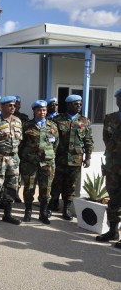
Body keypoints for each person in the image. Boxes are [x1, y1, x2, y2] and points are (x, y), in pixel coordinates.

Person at [48, 94, 93, 220]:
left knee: (71, 184)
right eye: (75, 104)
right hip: (59, 158)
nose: (79, 106)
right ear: (68, 105)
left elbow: (88, 140)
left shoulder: (84, 121)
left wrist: (88, 156)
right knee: (56, 182)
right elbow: (51, 138)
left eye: (80, 104)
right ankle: (53, 204)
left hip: (75, 159)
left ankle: (66, 208)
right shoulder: (57, 120)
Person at [19, 100, 59, 224]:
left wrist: (49, 155)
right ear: (34, 111)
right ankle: (28, 211)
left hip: (47, 163)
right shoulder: (27, 126)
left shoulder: (52, 126)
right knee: (29, 188)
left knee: (46, 189)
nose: (42, 112)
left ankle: (43, 213)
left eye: (44, 110)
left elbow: (55, 144)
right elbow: (21, 144)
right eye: (39, 110)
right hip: (30, 162)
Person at [0, 96, 23, 226]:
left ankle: (7, 214)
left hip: (14, 158)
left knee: (12, 186)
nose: (13, 107)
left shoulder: (18, 121)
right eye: (10, 105)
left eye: (14, 105)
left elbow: (20, 140)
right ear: (2, 107)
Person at [96, 88, 121, 248]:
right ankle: (113, 231)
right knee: (113, 199)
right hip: (112, 166)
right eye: (119, 98)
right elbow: (106, 139)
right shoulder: (110, 118)